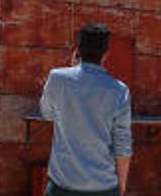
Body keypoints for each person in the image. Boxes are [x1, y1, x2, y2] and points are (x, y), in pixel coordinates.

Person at [39, 23, 133, 196]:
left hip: (62, 184)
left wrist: (72, 67)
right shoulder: (119, 90)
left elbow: (47, 113)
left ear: (78, 50)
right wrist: (121, 187)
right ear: (106, 54)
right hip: (103, 186)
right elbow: (123, 145)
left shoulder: (57, 78)